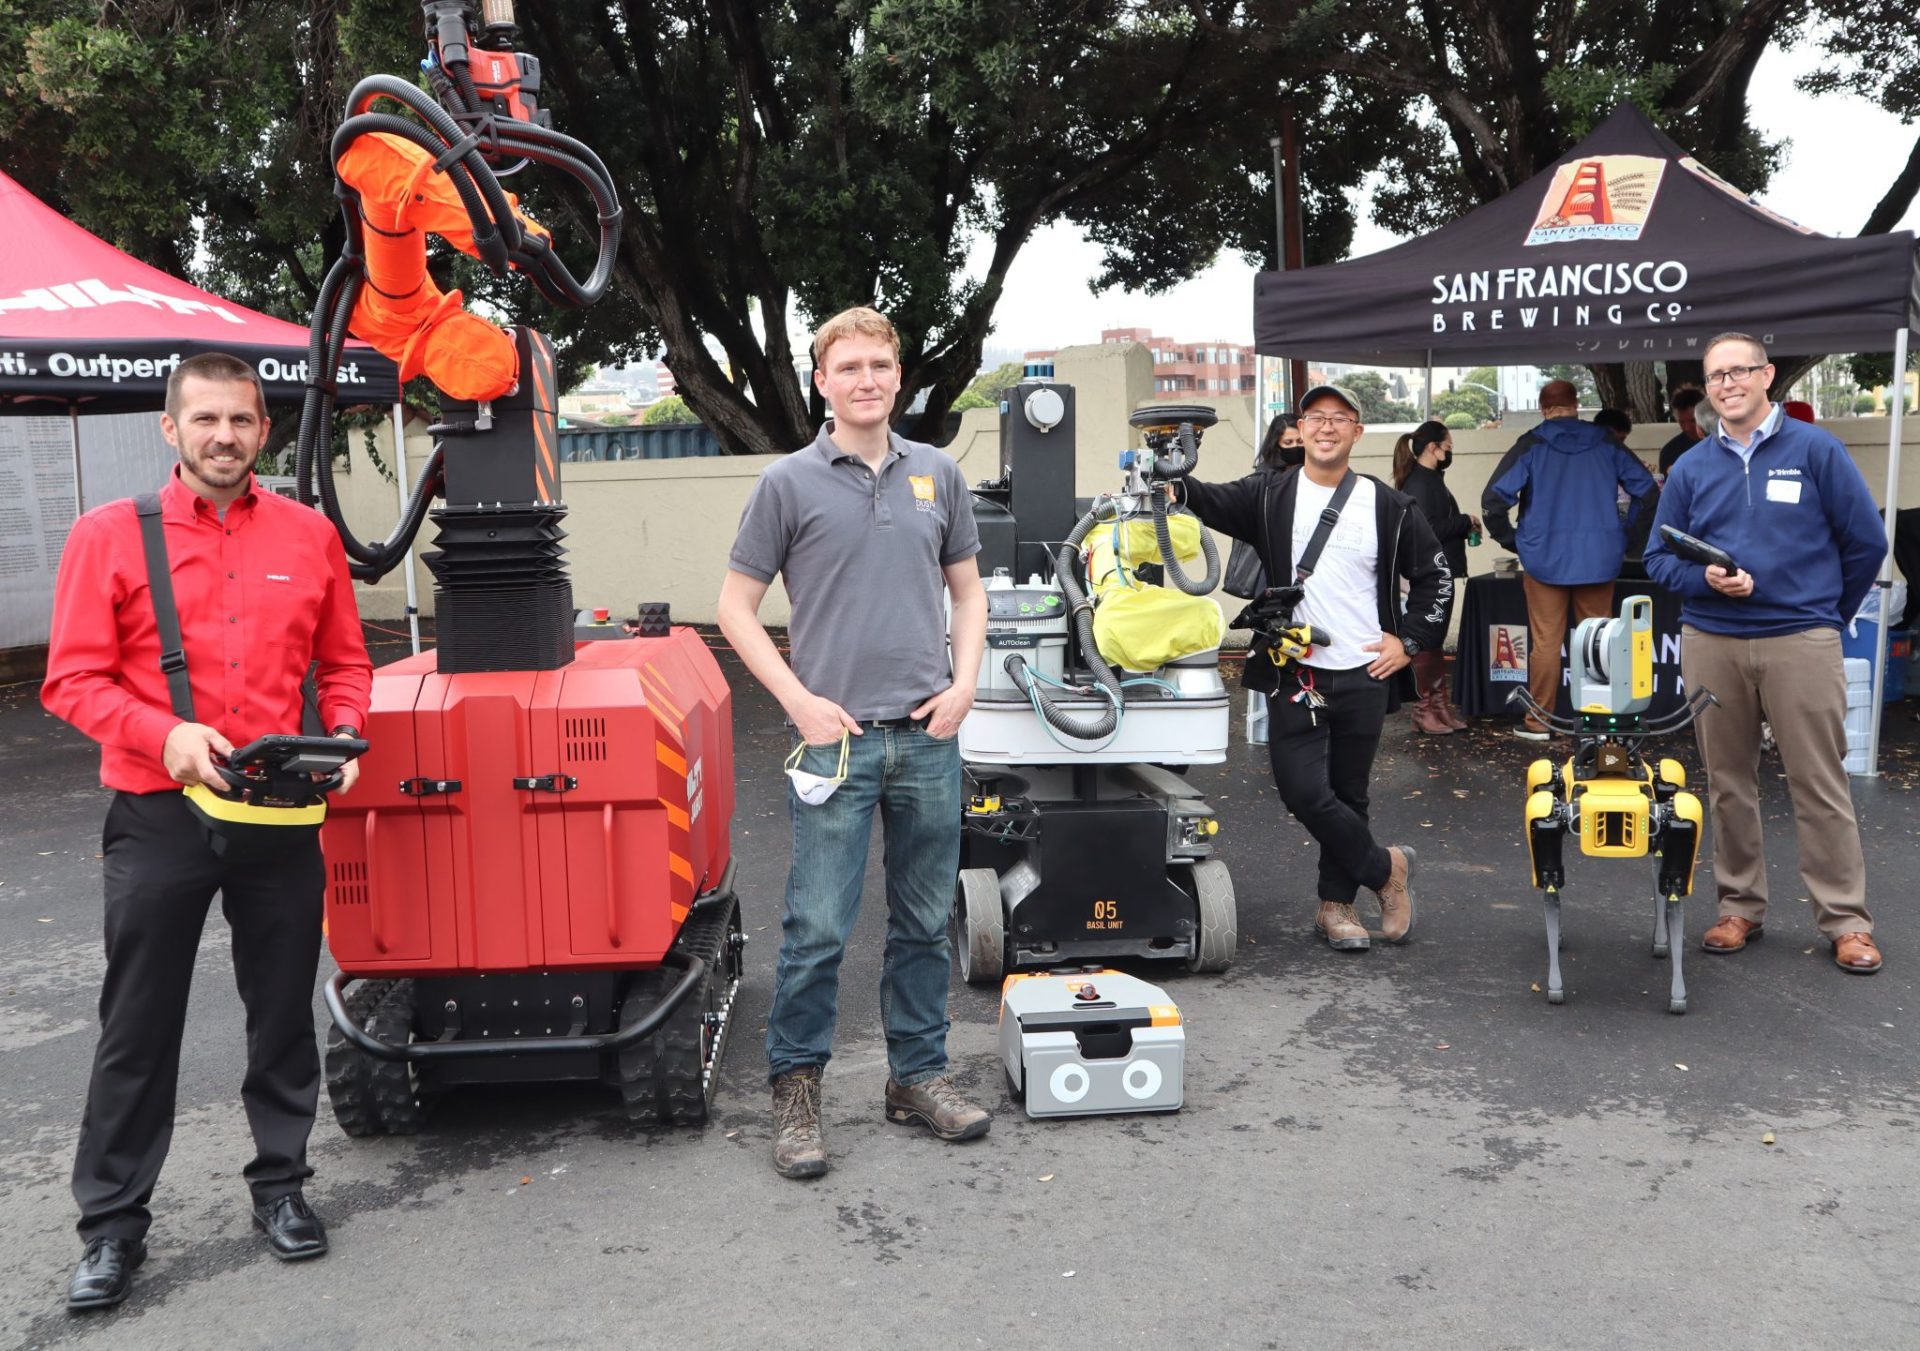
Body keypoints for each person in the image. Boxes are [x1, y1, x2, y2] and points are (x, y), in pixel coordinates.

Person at [41, 353, 371, 1311]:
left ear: (263, 430)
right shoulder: (110, 536)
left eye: (241, 420)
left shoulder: (309, 537)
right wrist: (166, 732)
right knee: (137, 1025)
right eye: (206, 420)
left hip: (278, 810)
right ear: (171, 429)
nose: (223, 436)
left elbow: (345, 664)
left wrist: (347, 737)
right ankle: (111, 1227)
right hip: (157, 812)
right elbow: (72, 680)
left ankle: (282, 1188)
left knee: (280, 1011)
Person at [717, 306, 990, 1179]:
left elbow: (970, 592)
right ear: (822, 382)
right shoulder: (788, 484)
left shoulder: (938, 475)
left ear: (897, 378)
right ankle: (796, 1093)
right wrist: (797, 700)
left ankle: (916, 1075)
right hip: (833, 744)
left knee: (919, 920)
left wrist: (965, 682)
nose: (866, 379)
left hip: (926, 736)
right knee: (819, 927)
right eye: (849, 367)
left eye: (880, 364)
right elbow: (734, 607)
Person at [1644, 332, 1887, 974]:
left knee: (1819, 782)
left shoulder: (1815, 450)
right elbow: (1657, 557)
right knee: (1727, 783)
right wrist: (1705, 582)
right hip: (1712, 639)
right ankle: (1739, 907)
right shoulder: (1693, 466)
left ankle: (1846, 921)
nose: (1727, 384)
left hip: (1800, 640)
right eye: (1716, 376)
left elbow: (1865, 542)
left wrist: (1822, 616)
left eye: (1739, 372)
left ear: (1767, 376)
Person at [1177, 385, 1450, 952]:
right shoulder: (1270, 494)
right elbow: (1208, 499)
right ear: (1299, 430)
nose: (1326, 428)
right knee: (1303, 792)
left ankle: (1336, 908)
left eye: (1339, 419)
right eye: (1316, 418)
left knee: (1349, 795)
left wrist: (1411, 640)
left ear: (1357, 431)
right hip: (1293, 669)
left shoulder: (1388, 506)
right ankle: (1386, 869)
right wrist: (1171, 482)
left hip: (1364, 672)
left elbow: (1435, 579)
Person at [1483, 379, 1656, 740]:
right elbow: (1647, 490)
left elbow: (1494, 500)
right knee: (1601, 642)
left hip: (1544, 560)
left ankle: (1539, 723)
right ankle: (1600, 723)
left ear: (1543, 408)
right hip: (1600, 559)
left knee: (1546, 643)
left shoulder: (1531, 444)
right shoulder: (1607, 442)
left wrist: (1515, 542)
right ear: (1577, 406)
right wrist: (1626, 537)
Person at [1391, 421, 1476, 735]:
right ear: (1433, 448)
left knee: (1435, 640)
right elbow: (1430, 530)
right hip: (1429, 573)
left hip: (1438, 571)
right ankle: (1424, 709)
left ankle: (1438, 708)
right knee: (1428, 639)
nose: (1450, 451)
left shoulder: (1428, 480)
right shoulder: (1422, 483)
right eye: (1448, 446)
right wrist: (1464, 521)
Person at [1658, 387, 1707, 475]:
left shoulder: (1724, 442)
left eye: (1693, 421)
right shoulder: (1669, 452)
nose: (1687, 427)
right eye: (1682, 422)